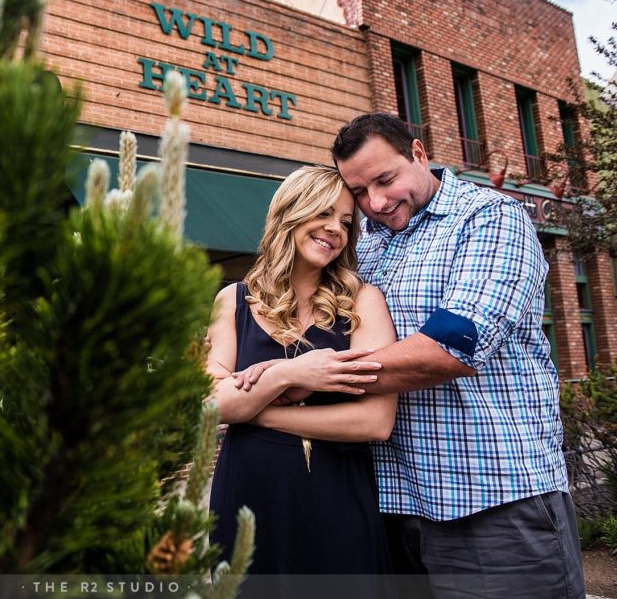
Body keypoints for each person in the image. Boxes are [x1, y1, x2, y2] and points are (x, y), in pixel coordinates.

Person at [237, 114, 584, 598]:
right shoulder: (365, 244)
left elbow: (452, 348)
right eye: (358, 191)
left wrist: (303, 379)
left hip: (491, 501)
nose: (375, 202)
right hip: (387, 503)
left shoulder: (489, 218)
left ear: (419, 154)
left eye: (385, 179)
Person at [205, 165, 397, 585]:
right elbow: (213, 404)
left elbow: (375, 422)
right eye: (324, 214)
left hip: (336, 496)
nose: (336, 230)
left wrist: (256, 411)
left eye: (346, 223)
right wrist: (292, 372)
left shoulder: (364, 302)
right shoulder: (232, 300)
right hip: (248, 496)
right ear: (291, 212)